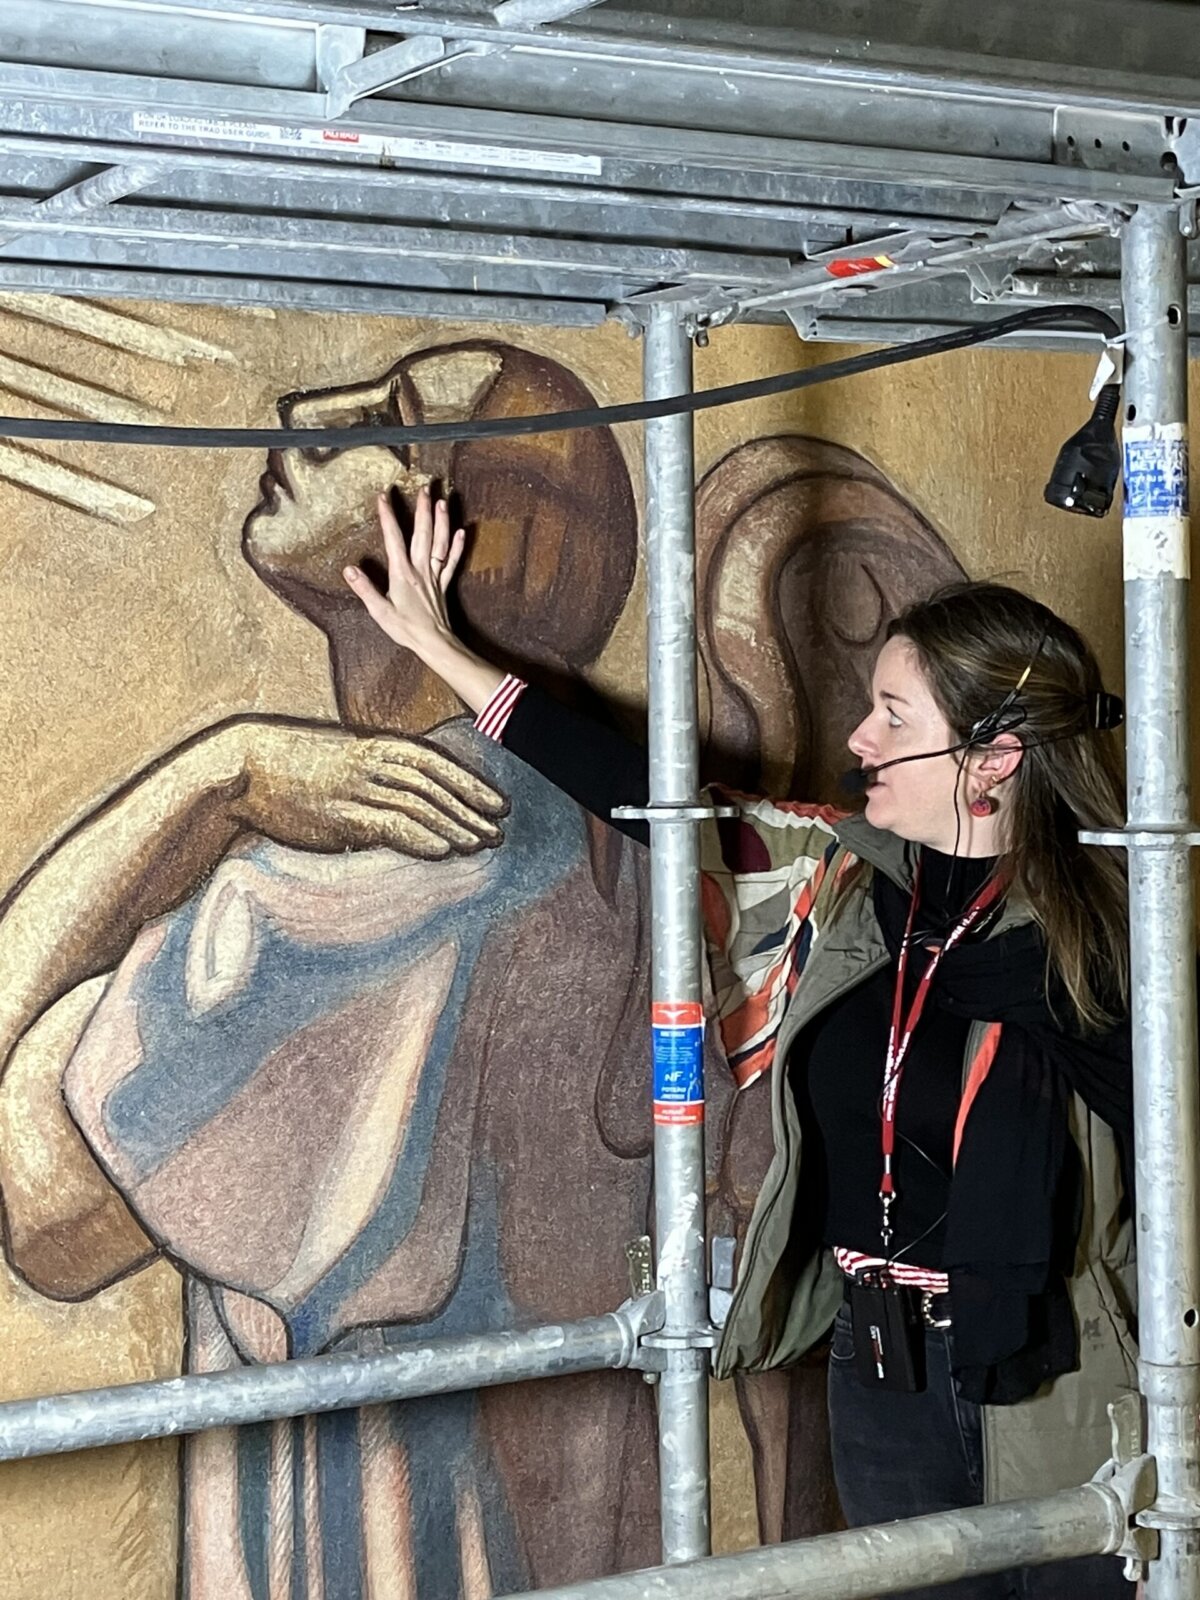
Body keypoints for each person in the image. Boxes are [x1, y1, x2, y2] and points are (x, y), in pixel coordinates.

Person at [344, 490, 1137, 1600]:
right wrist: (445, 651)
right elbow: (656, 807)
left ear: (992, 758)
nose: (859, 738)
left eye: (894, 718)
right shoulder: (848, 888)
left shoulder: (1107, 943)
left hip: (1056, 1376)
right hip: (882, 1376)